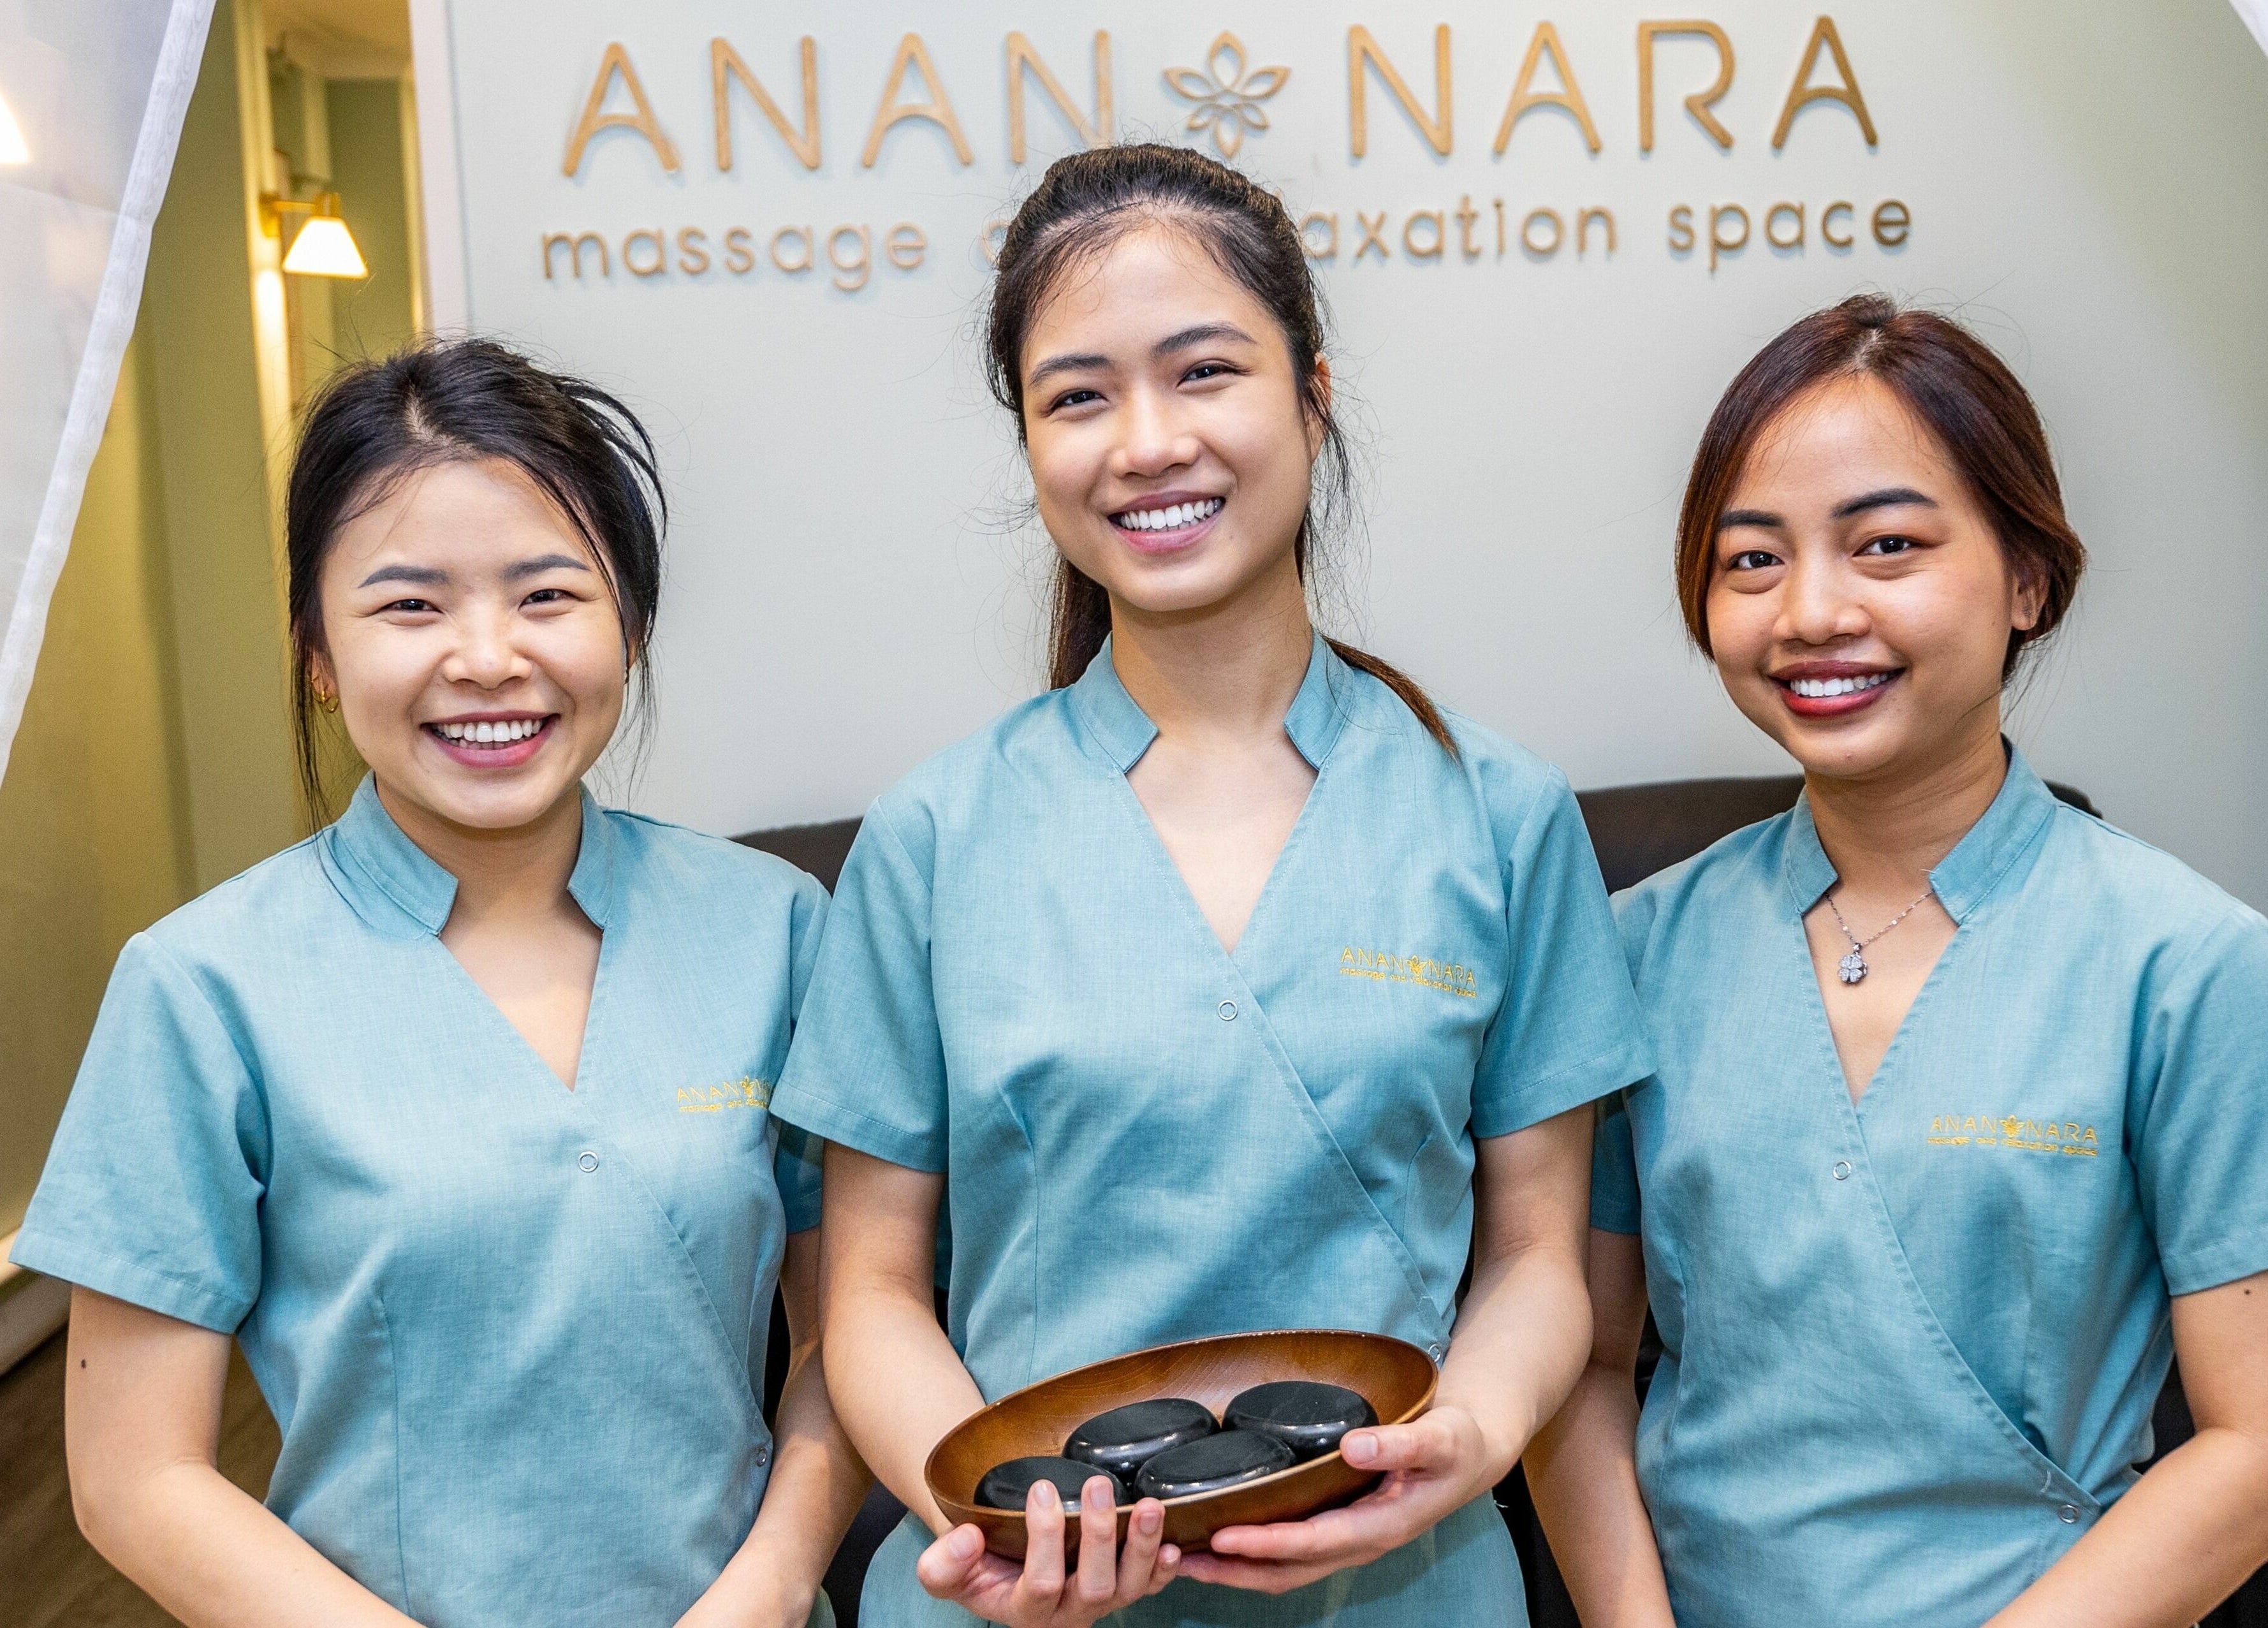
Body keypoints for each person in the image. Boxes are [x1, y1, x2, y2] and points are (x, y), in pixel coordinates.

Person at [769, 143, 1651, 1628]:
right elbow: (865, 1293)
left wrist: (1473, 1437)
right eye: (1078, 396)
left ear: (1312, 395)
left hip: (1406, 1585)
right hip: (1017, 1597)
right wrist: (983, 1522)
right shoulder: (936, 834)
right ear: (1031, 443)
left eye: (1204, 372)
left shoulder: (1496, 815)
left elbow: (1540, 1259)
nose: (1145, 441)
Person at [10, 339, 868, 1628]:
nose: (486, 658)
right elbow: (137, 1475)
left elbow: (841, 1339)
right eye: (410, 605)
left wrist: (765, 1586)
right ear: (314, 648)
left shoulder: (772, 928)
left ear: (625, 621)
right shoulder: (202, 988)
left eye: (546, 594)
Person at [1524, 295, 2268, 1627]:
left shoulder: (2190, 964)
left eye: (1887, 545)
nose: (1812, 610)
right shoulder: (1632, 948)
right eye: (1751, 560)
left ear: (2029, 578)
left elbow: (2254, 1446)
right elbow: (1578, 1358)